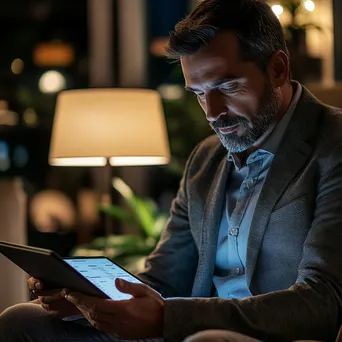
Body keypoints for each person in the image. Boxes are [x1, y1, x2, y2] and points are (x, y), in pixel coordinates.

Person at [1, 0, 342, 341]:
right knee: (21, 322)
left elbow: (321, 301)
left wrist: (169, 318)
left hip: (268, 336)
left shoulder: (333, 145)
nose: (212, 112)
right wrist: (89, 298)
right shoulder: (205, 159)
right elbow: (163, 280)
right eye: (199, 93)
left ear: (278, 69)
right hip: (186, 331)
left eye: (227, 87)